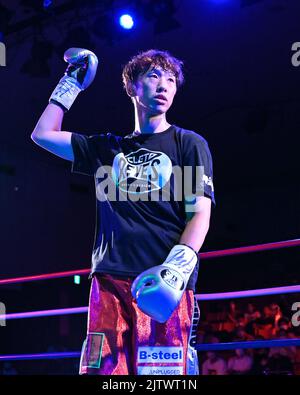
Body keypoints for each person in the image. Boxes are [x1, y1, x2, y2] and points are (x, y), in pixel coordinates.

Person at [31, 48, 215, 375]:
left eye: (171, 80)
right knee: (101, 375)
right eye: (154, 76)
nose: (164, 86)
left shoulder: (188, 143)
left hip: (162, 281)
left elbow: (199, 212)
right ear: (131, 87)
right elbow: (42, 135)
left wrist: (176, 268)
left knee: (164, 379)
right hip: (108, 282)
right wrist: (71, 81)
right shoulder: (107, 150)